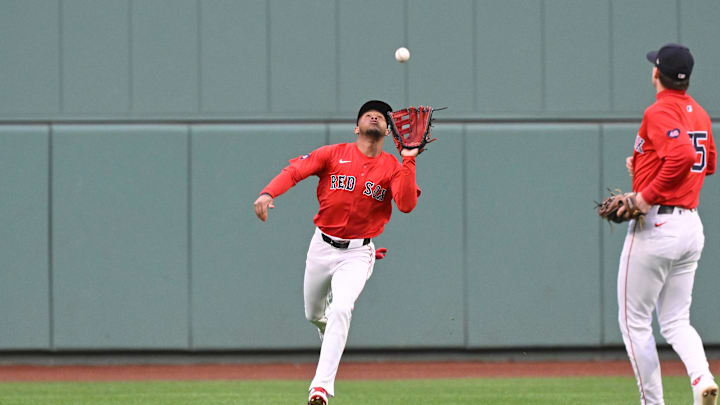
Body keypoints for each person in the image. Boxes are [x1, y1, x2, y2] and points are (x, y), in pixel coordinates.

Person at [253, 100, 422, 405]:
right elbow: (294, 171)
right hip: (322, 245)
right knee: (315, 315)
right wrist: (268, 192)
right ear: (356, 127)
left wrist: (409, 159)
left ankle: (320, 389)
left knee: (342, 308)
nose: (375, 115)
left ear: (388, 131)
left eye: (382, 116)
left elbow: (407, 204)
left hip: (358, 253)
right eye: (367, 113)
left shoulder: (393, 167)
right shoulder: (333, 154)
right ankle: (329, 331)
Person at [618, 43, 717, 405]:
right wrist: (644, 164)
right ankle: (702, 378)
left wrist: (645, 195)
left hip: (657, 225)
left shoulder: (659, 110)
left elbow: (682, 155)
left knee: (634, 323)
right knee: (675, 320)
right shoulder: (700, 114)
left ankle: (653, 404)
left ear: (656, 73)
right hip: (690, 227)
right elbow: (705, 165)